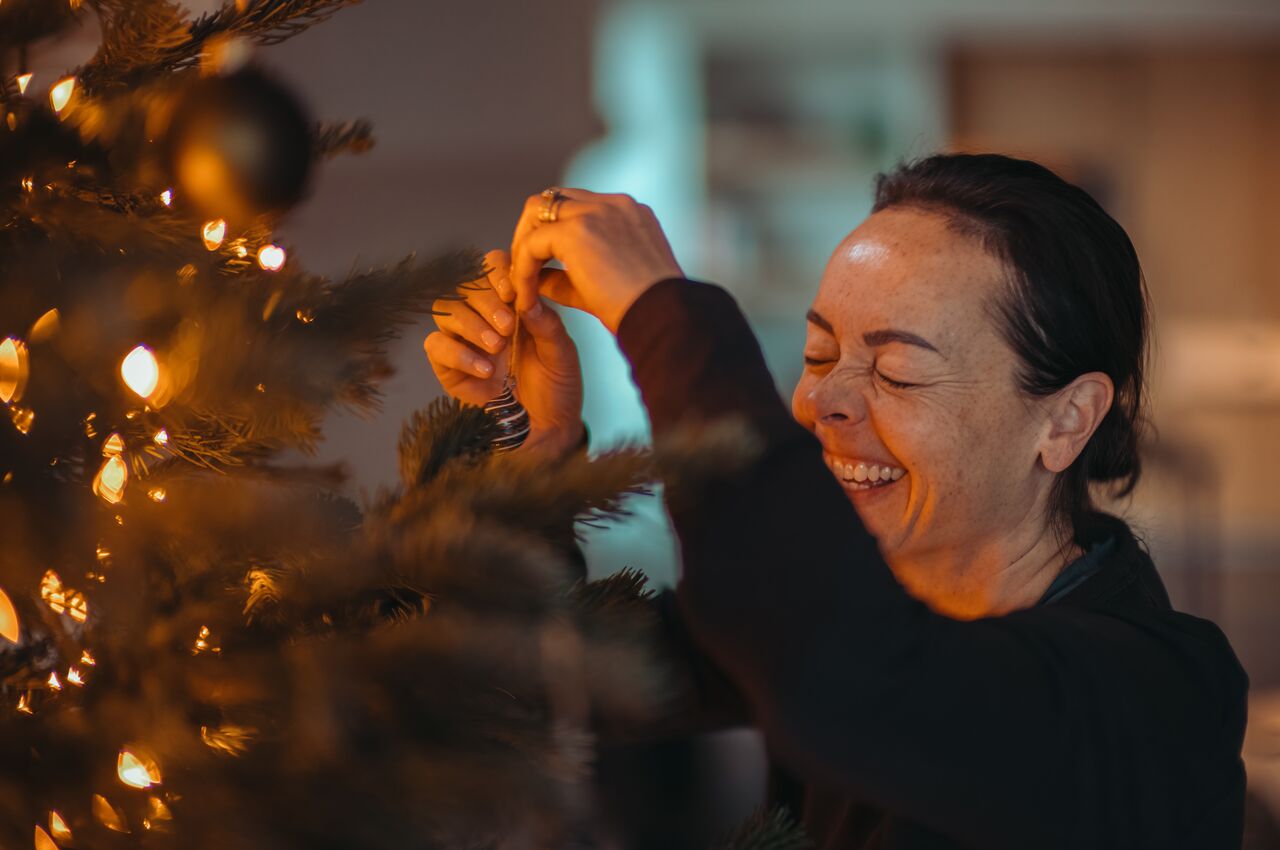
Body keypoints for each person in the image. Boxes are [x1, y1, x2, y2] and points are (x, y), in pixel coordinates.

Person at [424, 154, 1248, 849]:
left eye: (898, 373)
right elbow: (536, 677)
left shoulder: (1155, 692)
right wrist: (531, 447)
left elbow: (844, 674)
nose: (822, 405)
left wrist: (661, 313)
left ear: (1065, 421)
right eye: (819, 354)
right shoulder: (866, 604)